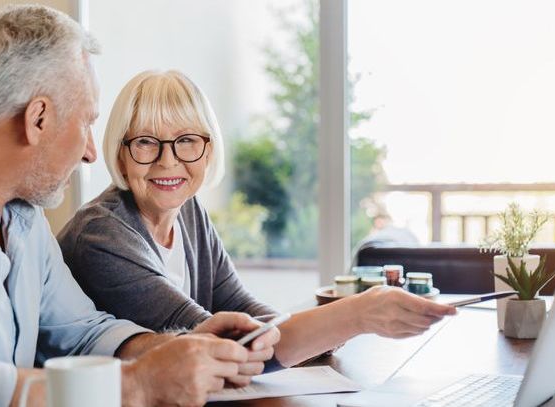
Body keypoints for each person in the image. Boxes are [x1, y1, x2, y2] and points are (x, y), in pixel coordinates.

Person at [0, 6, 279, 407]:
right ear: (38, 119)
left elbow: (83, 332)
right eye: (86, 123)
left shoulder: (23, 217)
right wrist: (135, 386)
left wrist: (176, 347)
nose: (90, 153)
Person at [57, 70, 457, 370]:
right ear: (121, 152)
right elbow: (221, 344)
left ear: (208, 150)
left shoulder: (189, 212)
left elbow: (241, 307)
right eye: (146, 142)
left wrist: (316, 335)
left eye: (187, 141)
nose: (168, 160)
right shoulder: (101, 235)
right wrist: (355, 315)